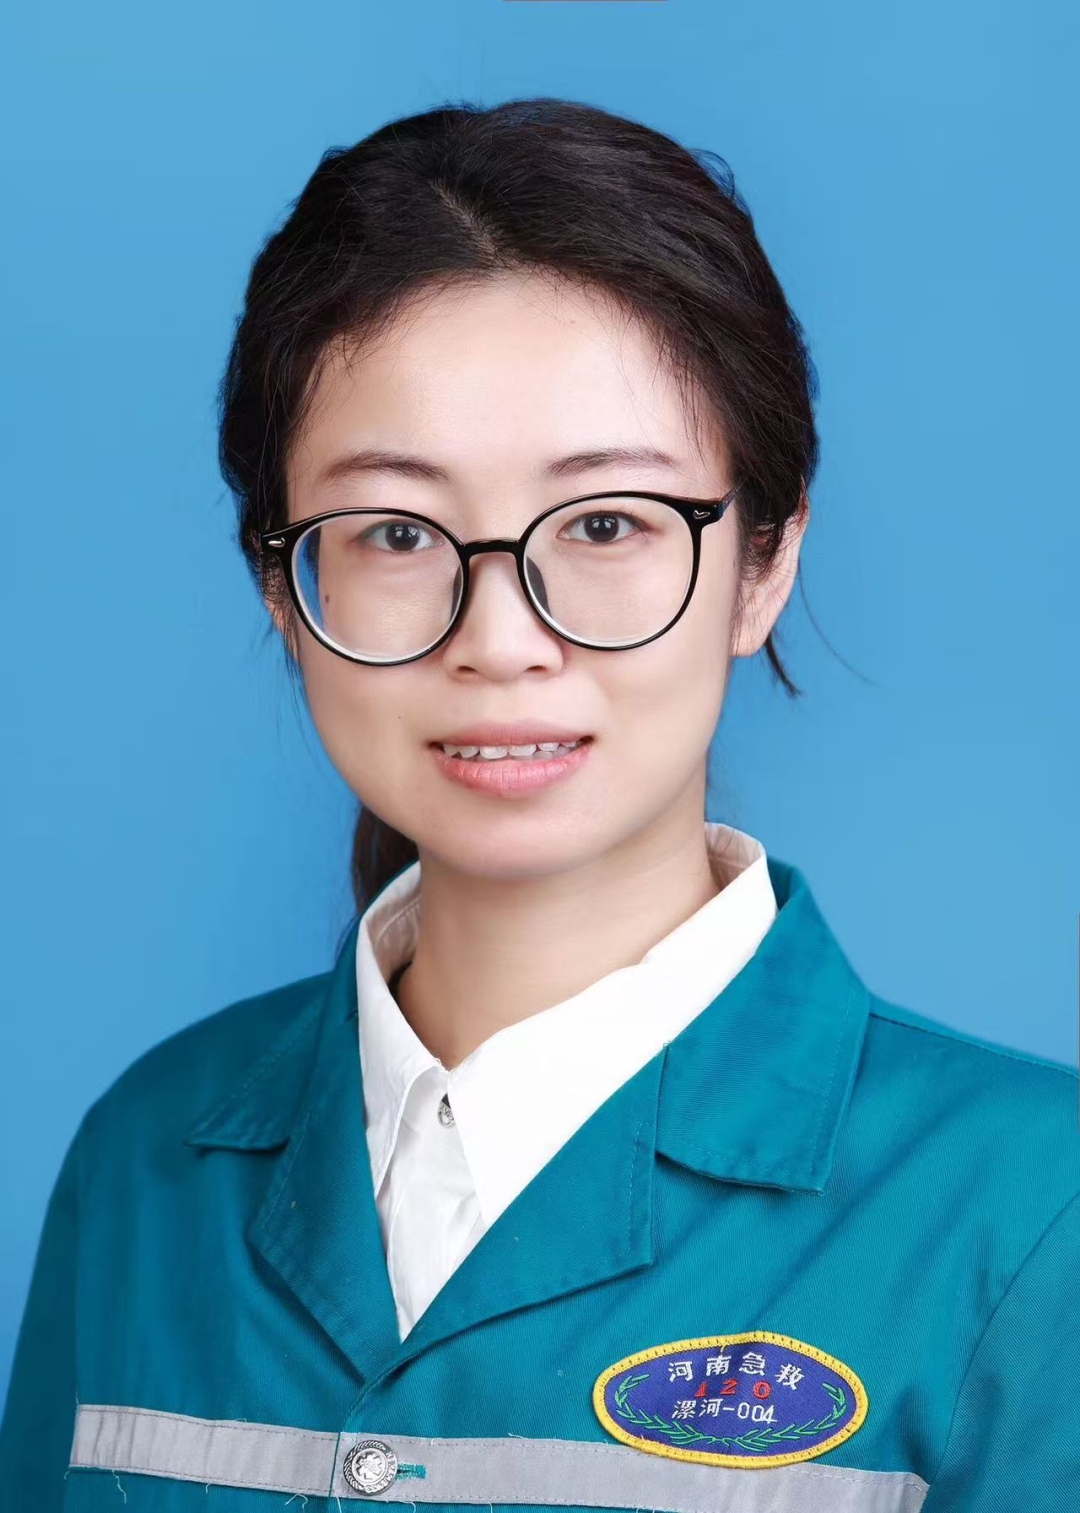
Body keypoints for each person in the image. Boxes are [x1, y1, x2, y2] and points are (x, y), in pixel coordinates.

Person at [1, 96, 1076, 1513]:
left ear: (764, 566)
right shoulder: (144, 1159)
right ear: (281, 587)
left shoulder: (1034, 1212)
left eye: (608, 523)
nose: (500, 639)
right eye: (397, 532)